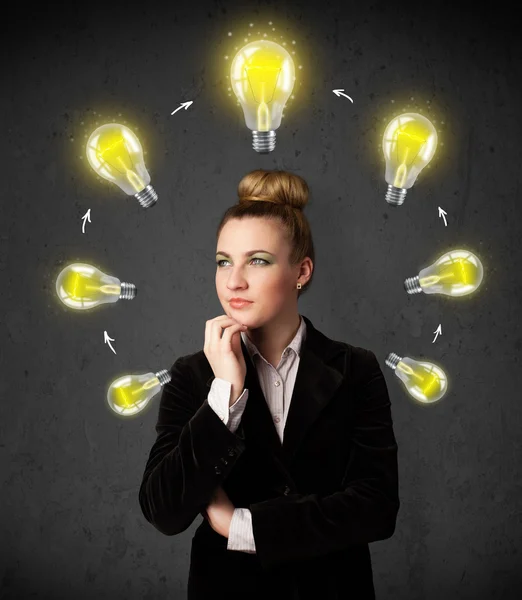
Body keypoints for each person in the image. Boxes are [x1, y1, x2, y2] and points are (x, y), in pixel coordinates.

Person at [138, 169, 400, 599]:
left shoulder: (356, 369)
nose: (234, 280)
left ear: (302, 271)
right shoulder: (193, 375)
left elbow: (376, 508)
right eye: (224, 261)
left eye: (257, 260)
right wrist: (224, 395)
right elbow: (164, 510)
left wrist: (240, 525)